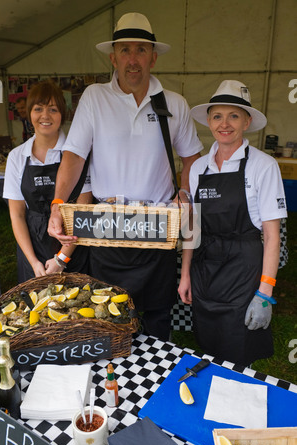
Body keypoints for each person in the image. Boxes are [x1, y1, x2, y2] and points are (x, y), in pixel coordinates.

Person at [47, 12, 203, 341]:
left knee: (159, 313)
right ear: (113, 56)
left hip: (155, 225)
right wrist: (57, 205)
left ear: (154, 57)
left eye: (141, 50)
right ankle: (113, 376)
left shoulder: (174, 103)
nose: (133, 60)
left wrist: (185, 193)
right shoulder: (93, 97)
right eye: (125, 50)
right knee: (108, 312)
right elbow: (74, 156)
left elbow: (192, 159)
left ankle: (158, 374)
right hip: (108, 223)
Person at [178, 80, 287, 366]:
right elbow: (193, 228)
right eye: (217, 116)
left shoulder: (264, 166)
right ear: (209, 122)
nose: (224, 124)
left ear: (247, 121)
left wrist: (265, 292)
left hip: (244, 270)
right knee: (208, 347)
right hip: (205, 270)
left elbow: (272, 236)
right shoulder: (198, 167)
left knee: (239, 355)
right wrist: (185, 274)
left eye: (234, 116)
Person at [3, 80, 91, 283]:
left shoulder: (78, 154)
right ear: (28, 113)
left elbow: (84, 207)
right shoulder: (17, 156)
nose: (45, 116)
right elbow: (17, 214)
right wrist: (34, 262)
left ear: (63, 114)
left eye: (53, 109)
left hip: (72, 246)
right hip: (31, 248)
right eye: (38, 109)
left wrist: (62, 258)